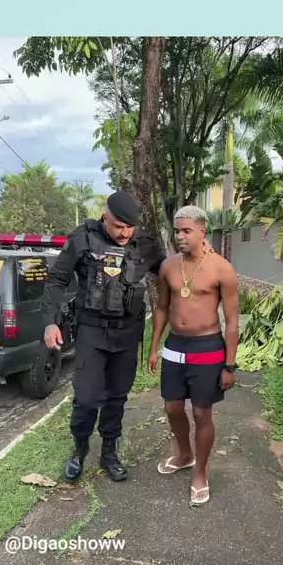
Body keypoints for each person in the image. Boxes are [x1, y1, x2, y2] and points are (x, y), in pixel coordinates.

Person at [42, 191, 165, 483]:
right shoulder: (83, 238)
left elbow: (169, 271)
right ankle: (79, 450)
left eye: (130, 227)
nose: (125, 233)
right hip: (92, 332)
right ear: (105, 217)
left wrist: (199, 255)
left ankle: (109, 451)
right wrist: (49, 323)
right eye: (119, 226)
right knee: (86, 398)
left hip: (127, 334)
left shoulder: (144, 244)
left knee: (116, 397)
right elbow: (57, 279)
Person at [148, 205, 239, 505]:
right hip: (175, 346)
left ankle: (200, 472)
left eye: (187, 231)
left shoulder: (222, 269)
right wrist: (154, 347)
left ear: (203, 232)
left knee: (202, 413)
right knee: (172, 408)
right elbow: (162, 307)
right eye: (177, 231)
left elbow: (232, 322)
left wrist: (229, 366)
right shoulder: (168, 266)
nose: (180, 237)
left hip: (207, 348)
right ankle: (184, 455)